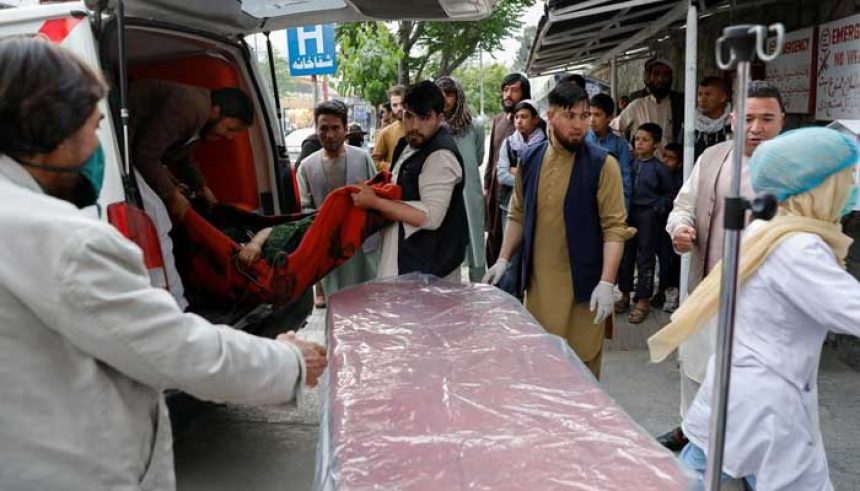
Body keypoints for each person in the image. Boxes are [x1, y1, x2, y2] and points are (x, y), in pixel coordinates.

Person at [0, 37, 326, 491]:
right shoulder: (65, 240)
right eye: (96, 127)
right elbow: (171, 349)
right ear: (53, 128)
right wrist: (288, 361)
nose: (99, 147)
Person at [649, 127, 860, 490]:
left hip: (737, 391)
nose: (851, 187)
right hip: (767, 406)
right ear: (819, 186)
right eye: (846, 177)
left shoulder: (769, 228)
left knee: (694, 475)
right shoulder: (799, 248)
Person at [659, 81, 785, 451]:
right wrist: (680, 228)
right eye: (747, 118)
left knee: (757, 384)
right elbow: (683, 206)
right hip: (708, 290)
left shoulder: (796, 170)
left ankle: (744, 452)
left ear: (782, 121)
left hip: (765, 302)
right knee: (698, 368)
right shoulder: (713, 158)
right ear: (732, 120)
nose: (756, 128)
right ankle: (691, 432)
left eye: (766, 118)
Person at [483, 82, 633, 379]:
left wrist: (607, 282)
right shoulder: (530, 159)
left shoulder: (604, 165)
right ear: (550, 117)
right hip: (539, 288)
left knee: (582, 374)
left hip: (584, 291)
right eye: (570, 116)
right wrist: (502, 259)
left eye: (584, 115)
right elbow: (517, 214)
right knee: (542, 372)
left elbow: (615, 228)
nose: (580, 125)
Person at [242, 101, 378, 308]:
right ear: (316, 129)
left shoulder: (362, 157)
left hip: (361, 243)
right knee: (339, 302)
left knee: (367, 297)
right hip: (328, 246)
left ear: (345, 129)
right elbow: (304, 209)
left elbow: (377, 194)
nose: (330, 135)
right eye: (324, 128)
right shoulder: (307, 166)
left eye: (335, 128)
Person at [352, 81, 467, 281]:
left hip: (429, 270)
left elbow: (431, 218)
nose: (414, 126)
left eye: (424, 118)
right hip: (408, 260)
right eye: (409, 116)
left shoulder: (440, 156)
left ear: (439, 118)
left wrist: (375, 202)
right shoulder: (408, 143)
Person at [128, 79, 253, 221]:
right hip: (118, 143)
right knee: (157, 216)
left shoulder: (201, 119)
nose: (229, 137)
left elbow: (184, 156)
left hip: (132, 149)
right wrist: (172, 195)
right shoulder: (190, 108)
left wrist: (201, 187)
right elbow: (145, 155)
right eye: (230, 129)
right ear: (215, 111)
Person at [616, 123, 674, 324]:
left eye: (645, 140)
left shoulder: (660, 169)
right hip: (629, 213)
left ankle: (642, 300)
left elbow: (670, 195)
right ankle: (624, 294)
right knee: (625, 255)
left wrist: (658, 207)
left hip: (649, 217)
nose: (639, 143)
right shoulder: (629, 163)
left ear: (656, 144)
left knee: (646, 257)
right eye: (637, 139)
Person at [436, 75, 487, 282]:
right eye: (442, 94)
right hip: (441, 191)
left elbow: (479, 157)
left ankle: (479, 282)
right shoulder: (433, 127)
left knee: (475, 239)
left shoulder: (474, 126)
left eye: (450, 94)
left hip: (469, 190)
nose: (446, 99)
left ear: (458, 97)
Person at [485, 73, 530, 266]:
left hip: (515, 196)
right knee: (493, 240)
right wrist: (487, 185)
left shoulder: (529, 123)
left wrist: (516, 171)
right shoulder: (497, 120)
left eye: (514, 90)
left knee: (512, 248)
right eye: (505, 90)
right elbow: (491, 157)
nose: (508, 94)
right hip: (495, 192)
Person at [610, 58, 684, 148]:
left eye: (666, 75)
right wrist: (627, 150)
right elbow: (613, 129)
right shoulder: (637, 105)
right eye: (656, 74)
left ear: (671, 78)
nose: (660, 79)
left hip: (670, 161)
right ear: (650, 77)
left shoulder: (679, 104)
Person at [497, 99, 546, 230]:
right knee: (512, 248)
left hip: (538, 206)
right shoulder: (508, 144)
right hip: (510, 205)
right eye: (516, 117)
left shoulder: (545, 145)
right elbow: (502, 175)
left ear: (535, 119)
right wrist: (529, 177)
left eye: (524, 117)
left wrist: (516, 171)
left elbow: (545, 177)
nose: (519, 121)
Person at [586, 93, 632, 208]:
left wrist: (624, 212)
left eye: (597, 115)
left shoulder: (619, 144)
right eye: (589, 114)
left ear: (609, 117)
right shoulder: (582, 140)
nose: (592, 120)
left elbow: (625, 179)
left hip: (610, 202)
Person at [656, 143, 684, 313]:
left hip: (674, 224)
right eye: (664, 156)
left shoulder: (680, 179)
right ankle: (661, 290)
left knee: (672, 261)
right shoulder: (660, 173)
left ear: (680, 163)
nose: (665, 161)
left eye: (671, 158)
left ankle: (671, 293)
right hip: (659, 223)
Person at [695, 76, 732, 160]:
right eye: (700, 94)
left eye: (708, 94)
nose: (702, 99)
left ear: (722, 97)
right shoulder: (690, 123)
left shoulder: (734, 124)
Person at [371, 85, 406, 171]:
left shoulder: (421, 128)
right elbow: (374, 161)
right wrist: (392, 167)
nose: (399, 108)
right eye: (394, 105)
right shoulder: (386, 132)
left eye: (402, 104)